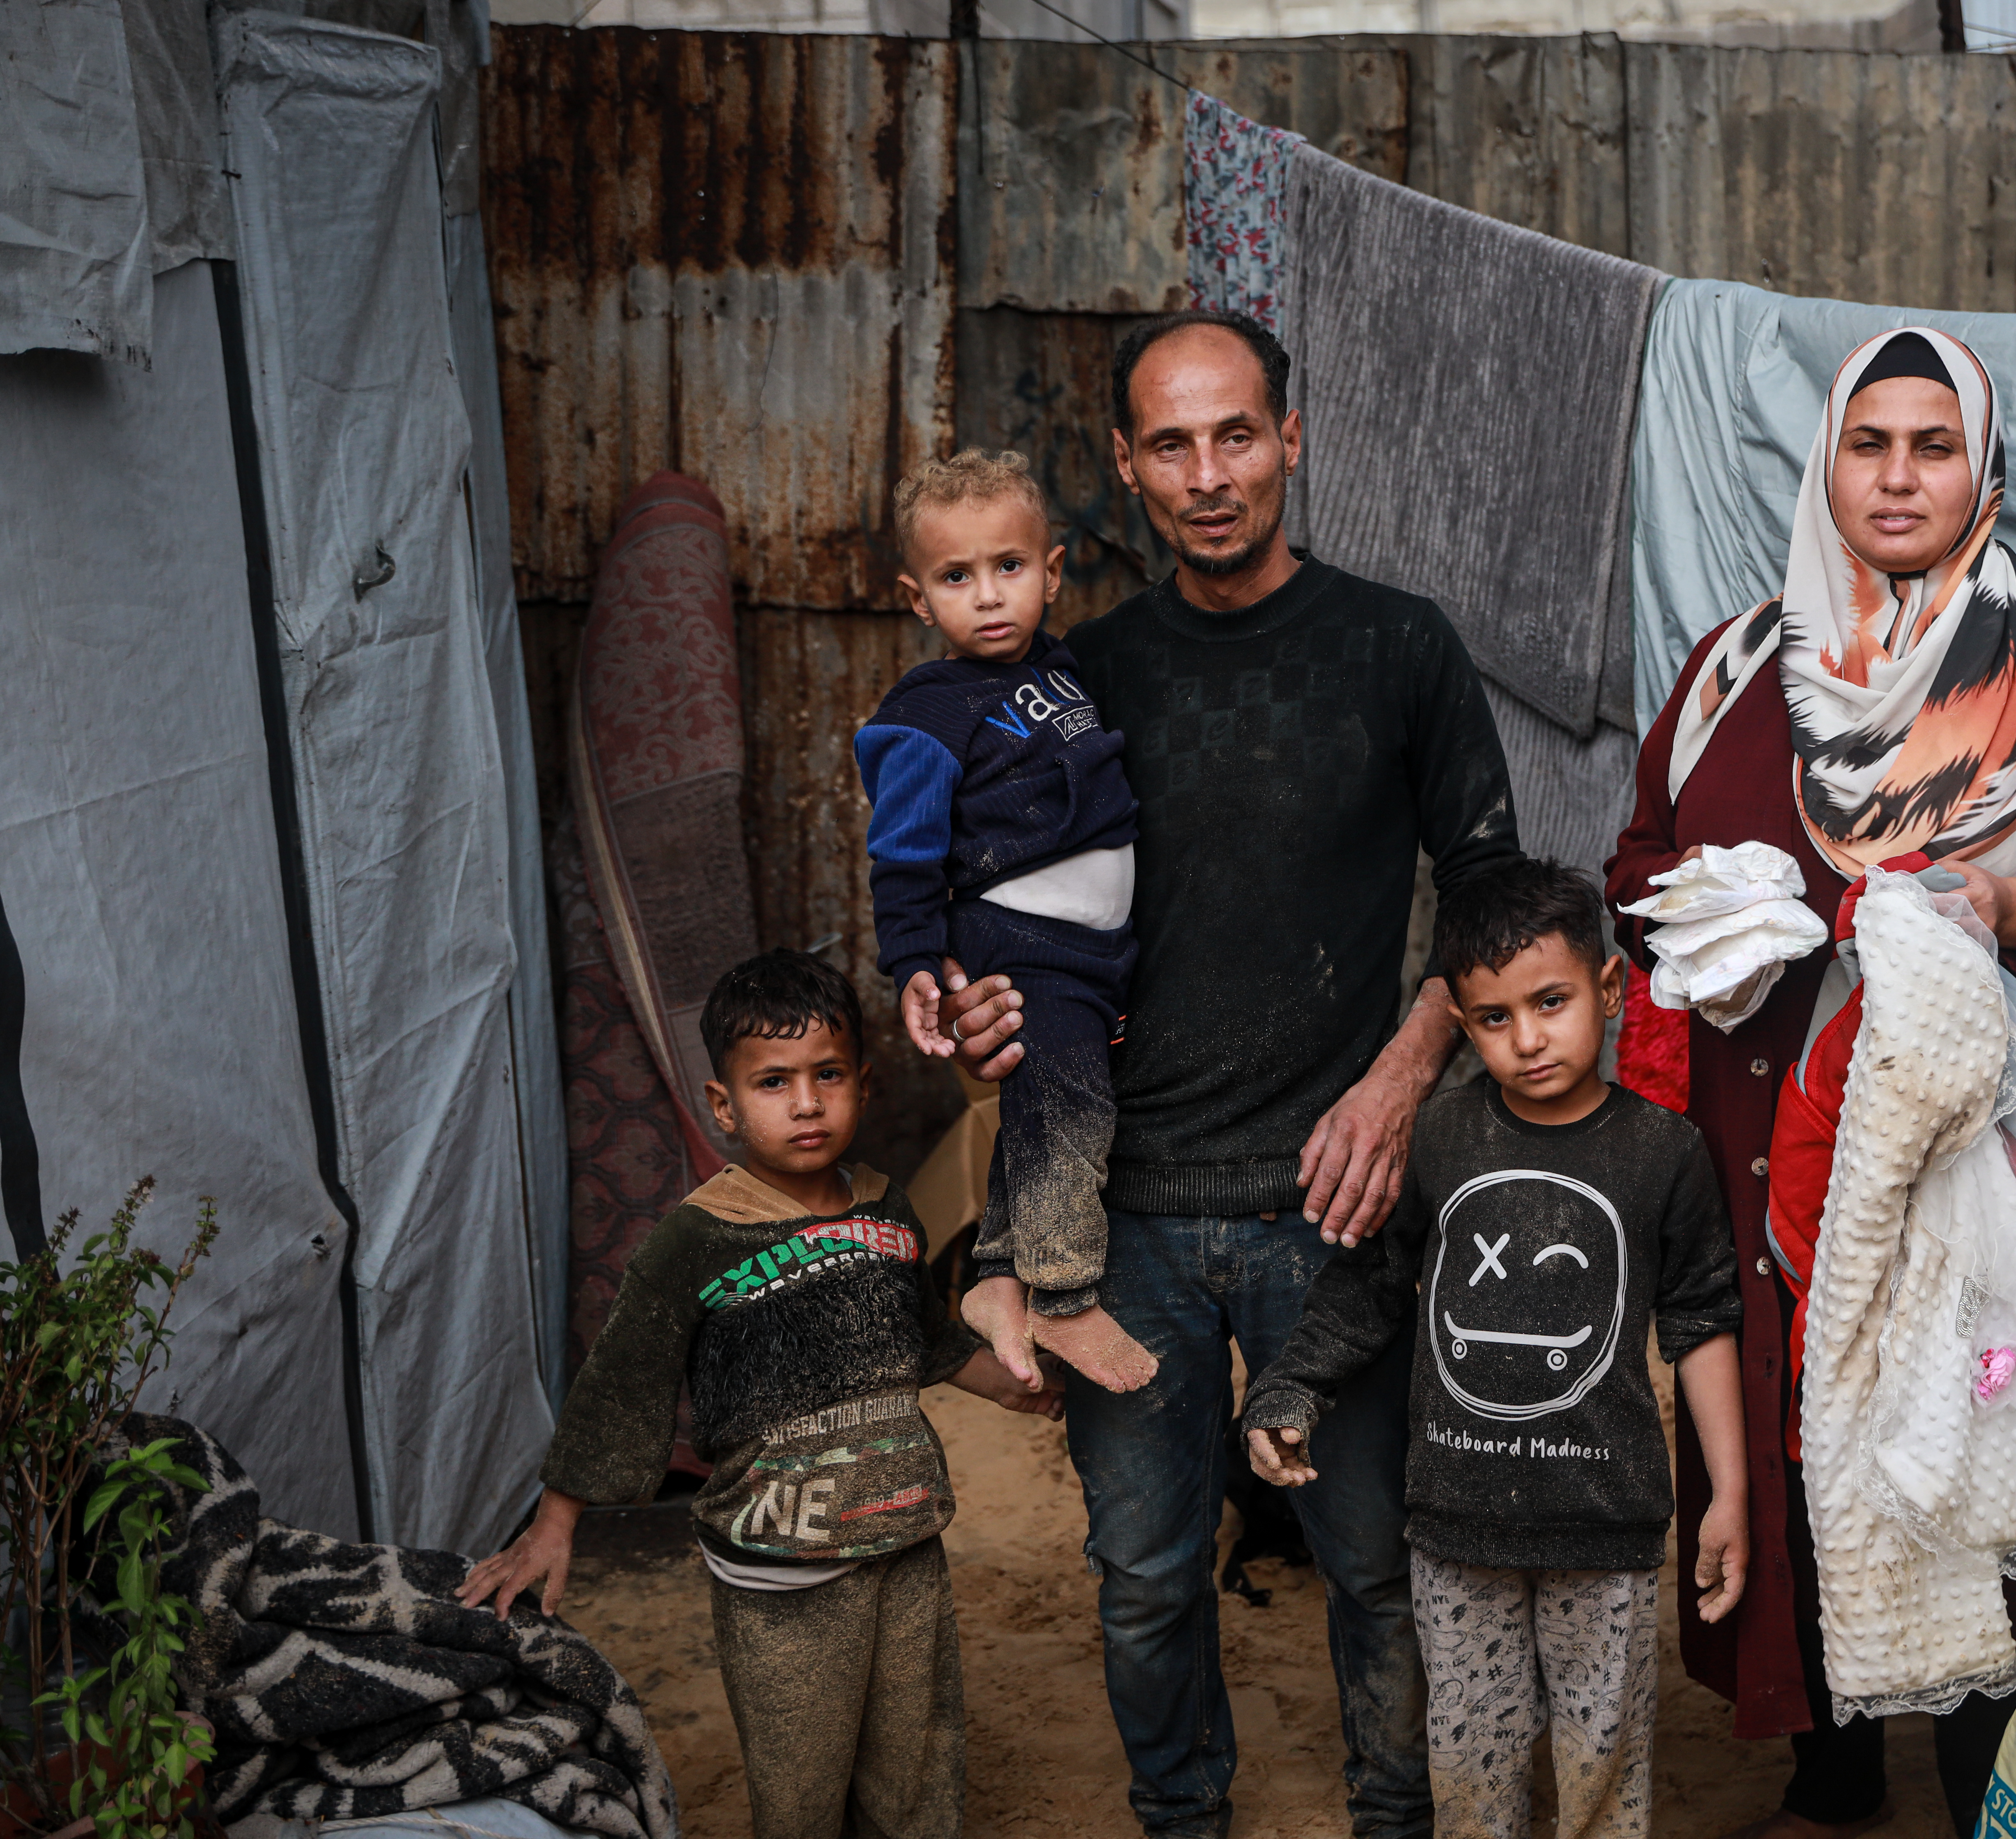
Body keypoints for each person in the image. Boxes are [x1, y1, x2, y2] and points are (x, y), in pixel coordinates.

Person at [1603, 326, 2016, 1838]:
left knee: (2001, 1447)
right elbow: (1635, 867)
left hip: (1998, 1170)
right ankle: (1831, 1763)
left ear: (1981, 466)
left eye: (1933, 446)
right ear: (1829, 463)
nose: (1899, 476)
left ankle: (2007, 1772)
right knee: (1811, 1441)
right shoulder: (1744, 666)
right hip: (1776, 1163)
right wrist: (1708, 917)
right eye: (1870, 443)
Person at [940, 307, 1521, 1839]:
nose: (1211, 473)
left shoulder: (1402, 647)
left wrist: (1402, 1076)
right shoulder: (1083, 680)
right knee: (1141, 1577)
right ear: (1125, 467)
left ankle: (1399, 1819)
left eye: (1238, 433)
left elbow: (1489, 897)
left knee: (1376, 1568)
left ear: (1292, 438)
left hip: (1338, 1213)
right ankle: (1182, 1815)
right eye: (1173, 444)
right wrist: (975, 1003)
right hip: (1125, 1218)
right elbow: (1015, 908)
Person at [460, 949, 1060, 1839]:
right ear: (725, 1104)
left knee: (917, 1771)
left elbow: (926, 1342)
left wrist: (1022, 1388)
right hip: (781, 1572)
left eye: (827, 1075)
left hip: (903, 1542)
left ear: (864, 1081)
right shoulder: (697, 1237)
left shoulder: (889, 1210)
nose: (807, 1102)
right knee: (802, 1782)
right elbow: (622, 1381)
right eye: (774, 1082)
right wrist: (554, 1524)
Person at [1243, 858, 1750, 1839]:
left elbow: (1700, 1323)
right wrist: (1290, 1386)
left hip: (1607, 1530)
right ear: (1463, 1022)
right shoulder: (1437, 1142)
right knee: (1472, 1767)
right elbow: (1369, 1289)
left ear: (1609, 989)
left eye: (1551, 1002)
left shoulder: (1665, 1153)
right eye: (1492, 1017)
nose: (1527, 1039)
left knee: (1605, 1768)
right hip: (1456, 1529)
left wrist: (1725, 1492)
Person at [856, 448, 1153, 1393]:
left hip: (1097, 949)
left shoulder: (1063, 671)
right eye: (956, 576)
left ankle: (995, 1275)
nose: (988, 596)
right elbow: (901, 855)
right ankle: (1065, 1298)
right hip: (1020, 942)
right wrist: (913, 964)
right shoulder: (926, 717)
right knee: (1069, 1100)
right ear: (917, 597)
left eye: (1010, 568)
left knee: (1043, 1101)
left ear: (1053, 571)